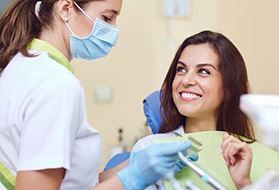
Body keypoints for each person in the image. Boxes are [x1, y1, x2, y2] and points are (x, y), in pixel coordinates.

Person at [0, 0, 193, 189]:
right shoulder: (57, 84)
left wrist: (134, 163)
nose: (114, 31)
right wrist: (133, 179)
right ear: (66, 8)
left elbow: (74, 183)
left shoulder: (23, 65)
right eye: (107, 18)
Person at [131, 30, 279, 190]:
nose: (186, 80)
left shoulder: (269, 161)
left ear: (228, 88)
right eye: (181, 69)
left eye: (204, 71)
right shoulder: (149, 150)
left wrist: (244, 184)